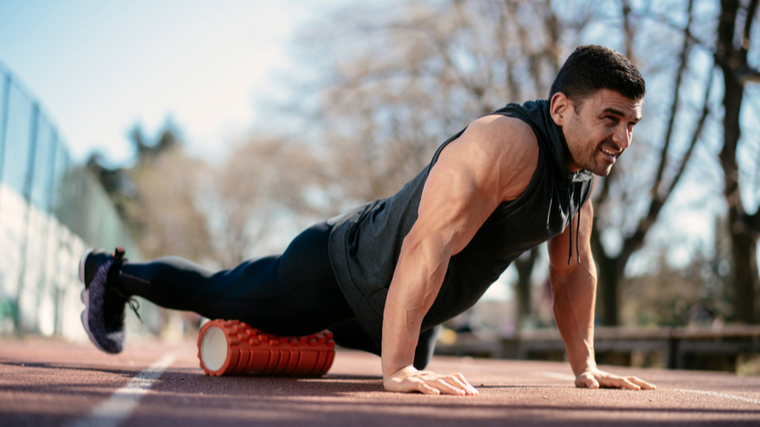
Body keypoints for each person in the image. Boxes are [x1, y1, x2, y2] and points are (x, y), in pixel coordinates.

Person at [79, 45, 656, 395]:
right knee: (222, 294)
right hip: (342, 267)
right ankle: (109, 272)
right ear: (561, 108)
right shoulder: (506, 145)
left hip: (404, 303)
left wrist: (586, 367)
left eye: (631, 124)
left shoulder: (580, 172)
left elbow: (573, 272)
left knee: (419, 356)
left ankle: (316, 333)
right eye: (612, 119)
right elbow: (426, 245)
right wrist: (396, 368)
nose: (622, 139)